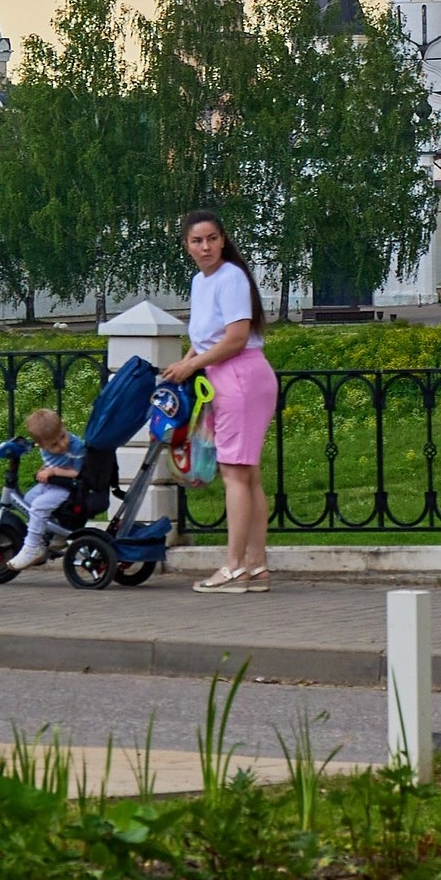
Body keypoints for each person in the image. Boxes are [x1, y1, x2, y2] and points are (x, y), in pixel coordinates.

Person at [171, 209, 275, 594]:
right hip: (229, 377)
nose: (205, 247)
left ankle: (234, 568)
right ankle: (256, 566)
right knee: (247, 475)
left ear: (223, 239)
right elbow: (205, 337)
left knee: (235, 473)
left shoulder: (230, 277)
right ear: (186, 245)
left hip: (240, 376)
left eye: (212, 239)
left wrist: (192, 365)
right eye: (197, 241)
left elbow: (234, 338)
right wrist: (184, 364)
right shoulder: (201, 281)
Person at [6, 407, 84, 571]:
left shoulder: (76, 447)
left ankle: (33, 546)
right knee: (28, 500)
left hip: (66, 487)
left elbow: (76, 472)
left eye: (63, 436)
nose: (62, 444)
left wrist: (53, 471)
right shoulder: (43, 446)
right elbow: (52, 461)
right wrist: (45, 469)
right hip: (51, 484)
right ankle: (49, 536)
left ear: (63, 426)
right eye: (54, 444)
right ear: (40, 444)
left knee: (39, 506)